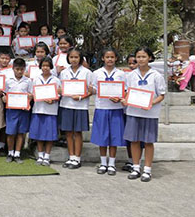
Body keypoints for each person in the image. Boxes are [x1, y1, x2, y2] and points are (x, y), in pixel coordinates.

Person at [122, 46, 165, 182]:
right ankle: (136, 167)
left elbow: (162, 95)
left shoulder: (156, 75)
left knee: (148, 141)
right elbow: (127, 92)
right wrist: (125, 100)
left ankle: (147, 170)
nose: (140, 59)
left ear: (150, 58)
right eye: (138, 57)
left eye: (143, 56)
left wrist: (151, 103)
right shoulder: (131, 75)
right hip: (133, 112)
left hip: (150, 114)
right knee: (134, 140)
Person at [90, 47, 127, 176]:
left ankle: (111, 163)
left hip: (116, 109)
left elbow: (125, 90)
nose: (110, 59)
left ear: (116, 58)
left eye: (112, 57)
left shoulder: (121, 74)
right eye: (107, 57)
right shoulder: (97, 73)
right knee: (102, 137)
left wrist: (119, 98)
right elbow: (93, 89)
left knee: (114, 137)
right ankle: (103, 162)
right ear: (102, 58)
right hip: (102, 108)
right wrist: (92, 89)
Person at [58, 48, 92, 169]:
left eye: (76, 57)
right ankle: (71, 156)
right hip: (66, 104)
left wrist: (82, 96)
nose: (74, 60)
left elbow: (90, 90)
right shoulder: (64, 72)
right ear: (68, 58)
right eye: (71, 57)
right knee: (68, 132)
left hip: (80, 106)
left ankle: (77, 158)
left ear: (80, 58)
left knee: (77, 132)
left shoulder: (87, 73)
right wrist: (60, 91)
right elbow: (60, 88)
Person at [30, 57, 61, 166]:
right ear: (40, 67)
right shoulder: (36, 79)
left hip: (51, 110)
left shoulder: (56, 80)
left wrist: (53, 99)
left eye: (47, 66)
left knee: (49, 134)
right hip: (38, 109)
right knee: (39, 134)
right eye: (43, 65)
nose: (45, 68)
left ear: (51, 67)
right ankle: (40, 155)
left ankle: (47, 156)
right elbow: (32, 94)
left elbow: (59, 94)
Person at [4, 58, 33, 163]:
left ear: (24, 69)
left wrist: (30, 97)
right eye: (17, 69)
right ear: (13, 68)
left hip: (23, 110)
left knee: (21, 132)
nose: (19, 71)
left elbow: (31, 94)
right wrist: (5, 98)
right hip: (11, 110)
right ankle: (10, 152)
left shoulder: (28, 81)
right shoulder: (8, 80)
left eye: (21, 69)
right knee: (11, 132)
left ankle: (17, 153)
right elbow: (4, 94)